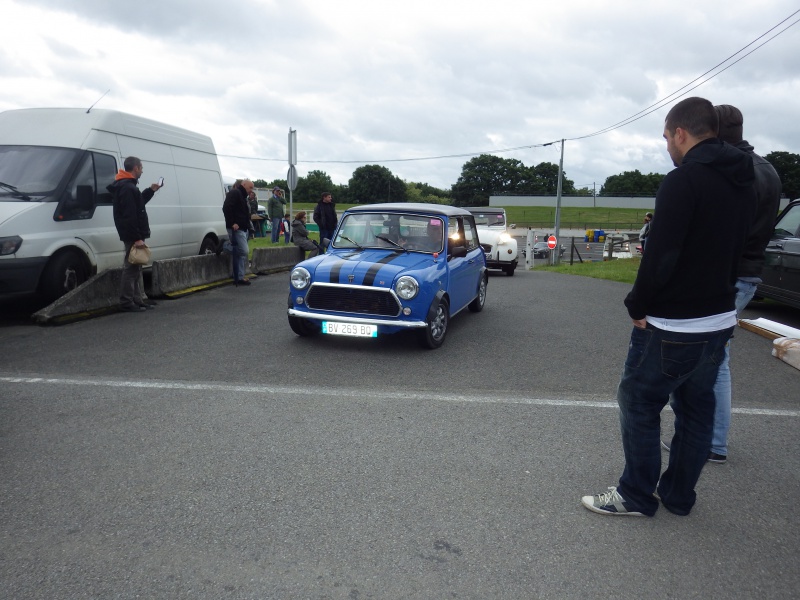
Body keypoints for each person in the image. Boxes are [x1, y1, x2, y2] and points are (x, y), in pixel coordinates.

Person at [581, 97, 755, 518]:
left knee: (639, 401)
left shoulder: (684, 181)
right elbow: (740, 248)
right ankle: (678, 495)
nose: (666, 147)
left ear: (681, 132)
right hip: (718, 319)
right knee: (696, 410)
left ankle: (636, 494)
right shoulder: (743, 180)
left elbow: (661, 253)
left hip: (672, 323)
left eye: (665, 137)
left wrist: (637, 304)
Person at [704, 104, 783, 463]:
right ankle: (712, 438)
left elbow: (719, 228)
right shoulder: (768, 170)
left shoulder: (729, 170)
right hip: (750, 271)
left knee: (710, 357)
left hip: (725, 272)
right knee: (717, 355)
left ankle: (711, 441)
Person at [109, 156, 163, 312]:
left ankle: (138, 299)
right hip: (133, 234)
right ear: (136, 168)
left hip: (133, 233)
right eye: (141, 167)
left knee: (136, 267)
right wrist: (137, 238)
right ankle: (127, 301)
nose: (142, 170)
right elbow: (129, 215)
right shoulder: (127, 187)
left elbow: (137, 203)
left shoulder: (127, 186)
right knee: (131, 267)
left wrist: (151, 190)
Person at [222, 178, 254, 286]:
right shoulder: (235, 193)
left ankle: (239, 276)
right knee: (243, 251)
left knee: (241, 255)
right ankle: (224, 245)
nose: (251, 190)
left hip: (243, 228)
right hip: (236, 228)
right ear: (243, 185)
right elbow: (226, 207)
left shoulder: (243, 197)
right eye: (250, 187)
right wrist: (232, 223)